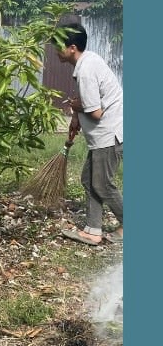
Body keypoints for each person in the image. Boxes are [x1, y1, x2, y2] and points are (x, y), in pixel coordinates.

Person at [56, 22, 124, 246]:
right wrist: (76, 116)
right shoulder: (87, 62)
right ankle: (93, 231)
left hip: (109, 134)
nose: (55, 50)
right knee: (89, 179)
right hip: (103, 135)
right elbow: (86, 99)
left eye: (59, 46)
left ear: (72, 48)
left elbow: (95, 112)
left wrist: (77, 107)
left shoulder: (85, 70)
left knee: (102, 184)